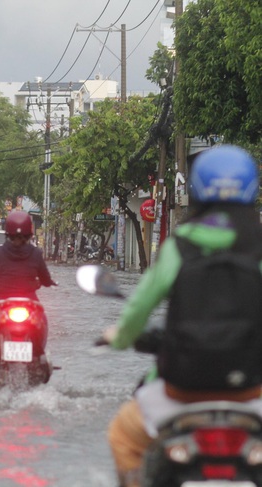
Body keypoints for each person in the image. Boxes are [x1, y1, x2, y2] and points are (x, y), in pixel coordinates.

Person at [101, 145, 262, 487]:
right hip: (252, 391)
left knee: (122, 437)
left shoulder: (179, 245)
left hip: (181, 391)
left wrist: (121, 337)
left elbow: (139, 308)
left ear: (197, 189)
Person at [0, 211, 55, 346]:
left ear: (7, 232)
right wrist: (44, 282)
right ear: (30, 233)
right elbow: (46, 280)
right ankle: (40, 353)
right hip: (29, 301)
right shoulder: (36, 253)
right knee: (42, 320)